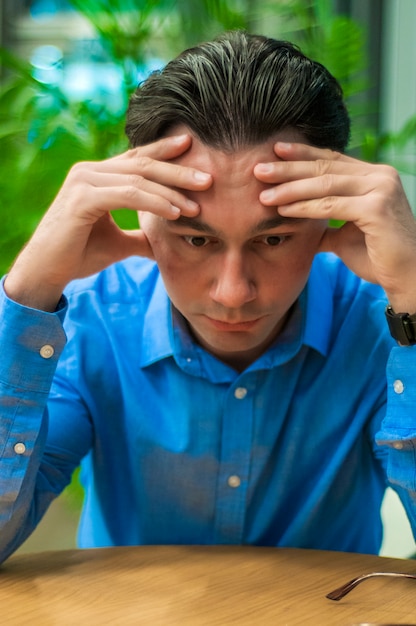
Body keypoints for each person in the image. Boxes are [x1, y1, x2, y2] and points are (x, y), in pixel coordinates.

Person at [1, 30, 415, 564]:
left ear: (328, 216)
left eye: (273, 239)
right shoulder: (90, 320)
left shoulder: (379, 323)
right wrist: (30, 290)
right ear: (142, 215)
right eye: (197, 239)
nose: (233, 292)